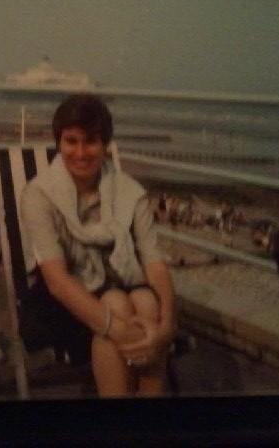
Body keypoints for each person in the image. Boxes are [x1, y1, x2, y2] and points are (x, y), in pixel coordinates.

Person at [20, 94, 176, 397]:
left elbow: (155, 265)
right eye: (71, 141)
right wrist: (122, 332)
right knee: (117, 304)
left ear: (105, 145)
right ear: (59, 143)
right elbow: (58, 282)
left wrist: (167, 327)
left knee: (146, 302)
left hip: (118, 287)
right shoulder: (39, 195)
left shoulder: (129, 193)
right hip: (61, 305)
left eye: (91, 141)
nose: (80, 152)